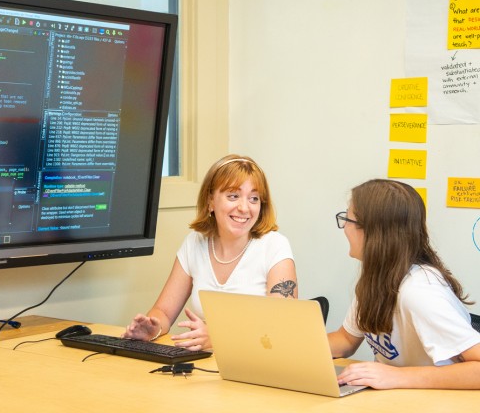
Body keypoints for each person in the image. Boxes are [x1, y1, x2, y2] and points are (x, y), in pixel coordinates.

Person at [122, 154, 297, 351]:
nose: (244, 208)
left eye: (254, 198)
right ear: (210, 201)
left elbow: (282, 327)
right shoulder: (194, 243)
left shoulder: (274, 246)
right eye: (233, 196)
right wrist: (152, 329)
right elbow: (163, 311)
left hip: (257, 366)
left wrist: (217, 338)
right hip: (203, 366)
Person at [329, 179, 480, 390]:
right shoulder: (376, 277)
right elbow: (345, 340)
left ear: (374, 233)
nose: (344, 227)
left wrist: (398, 377)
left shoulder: (419, 291)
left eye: (348, 219)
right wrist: (288, 346)